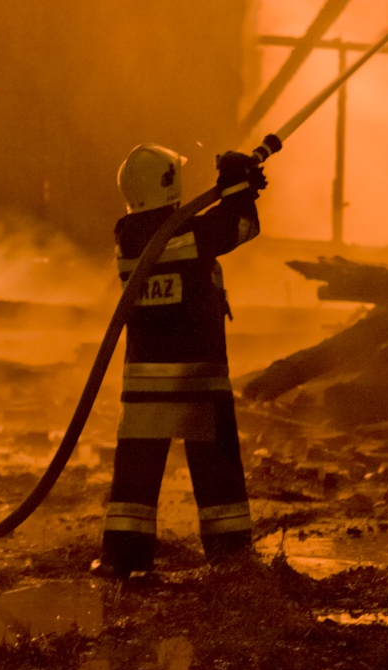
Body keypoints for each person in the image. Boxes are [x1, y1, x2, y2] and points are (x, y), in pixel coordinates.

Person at [98, 142, 271, 577]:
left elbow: (217, 227)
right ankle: (231, 558)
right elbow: (239, 227)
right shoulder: (174, 235)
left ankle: (124, 557)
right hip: (197, 381)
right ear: (167, 184)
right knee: (218, 476)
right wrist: (238, 191)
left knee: (134, 480)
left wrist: (236, 188)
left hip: (144, 387)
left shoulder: (133, 237)